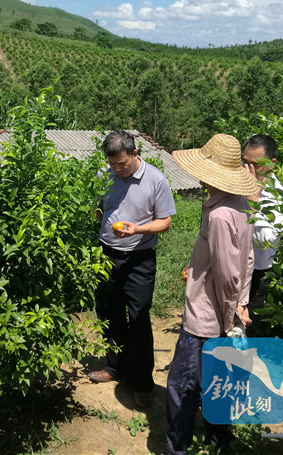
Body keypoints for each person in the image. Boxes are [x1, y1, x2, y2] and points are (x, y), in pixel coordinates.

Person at [165, 133, 258, 454]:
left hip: (206, 317)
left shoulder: (219, 215)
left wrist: (231, 311)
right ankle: (219, 439)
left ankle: (178, 447)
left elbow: (228, 273)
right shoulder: (240, 205)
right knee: (219, 380)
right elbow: (245, 260)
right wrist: (241, 304)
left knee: (183, 385)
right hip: (224, 310)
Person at [88, 129, 176, 408]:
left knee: (138, 320)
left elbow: (165, 221)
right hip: (107, 257)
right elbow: (99, 208)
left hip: (139, 259)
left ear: (135, 154)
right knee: (108, 313)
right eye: (112, 164)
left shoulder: (155, 180)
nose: (116, 169)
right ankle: (115, 368)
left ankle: (141, 383)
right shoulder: (106, 175)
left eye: (122, 164)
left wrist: (138, 229)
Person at [242, 134, 283, 337]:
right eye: (245, 162)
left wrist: (252, 202)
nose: (248, 170)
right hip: (230, 269)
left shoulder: (280, 196)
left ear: (272, 164)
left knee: (246, 333)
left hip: (256, 275)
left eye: (256, 165)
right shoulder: (235, 182)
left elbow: (268, 239)